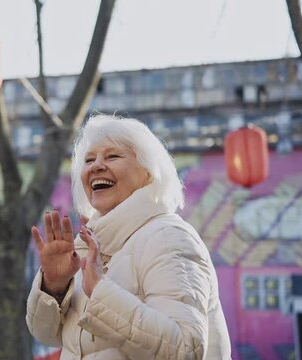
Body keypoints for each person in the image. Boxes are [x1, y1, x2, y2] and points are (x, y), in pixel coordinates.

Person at [26, 115, 231, 359]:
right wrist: (54, 286)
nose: (96, 166)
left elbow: (186, 349)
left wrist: (101, 292)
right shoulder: (87, 246)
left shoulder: (168, 237)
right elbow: (46, 334)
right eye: (89, 159)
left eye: (113, 156)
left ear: (149, 173)